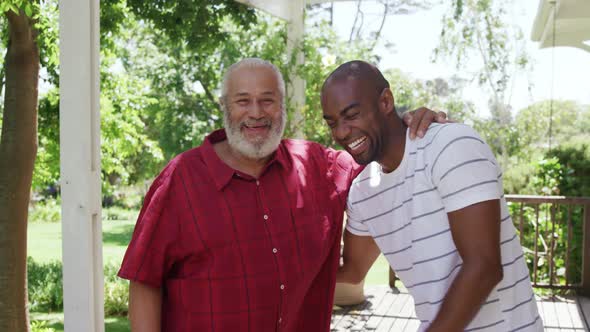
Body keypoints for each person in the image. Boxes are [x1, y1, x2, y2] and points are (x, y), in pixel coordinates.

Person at [118, 58, 445, 331]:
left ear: (282, 106)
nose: (256, 113)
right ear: (224, 107)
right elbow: (145, 280)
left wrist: (417, 128)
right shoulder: (181, 179)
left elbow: (385, 154)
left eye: (268, 100)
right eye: (243, 100)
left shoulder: (319, 167)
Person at [321, 60, 542, 332]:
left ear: (386, 101)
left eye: (352, 115)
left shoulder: (449, 146)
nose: (341, 132)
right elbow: (352, 270)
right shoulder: (363, 191)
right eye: (332, 123)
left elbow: (484, 267)